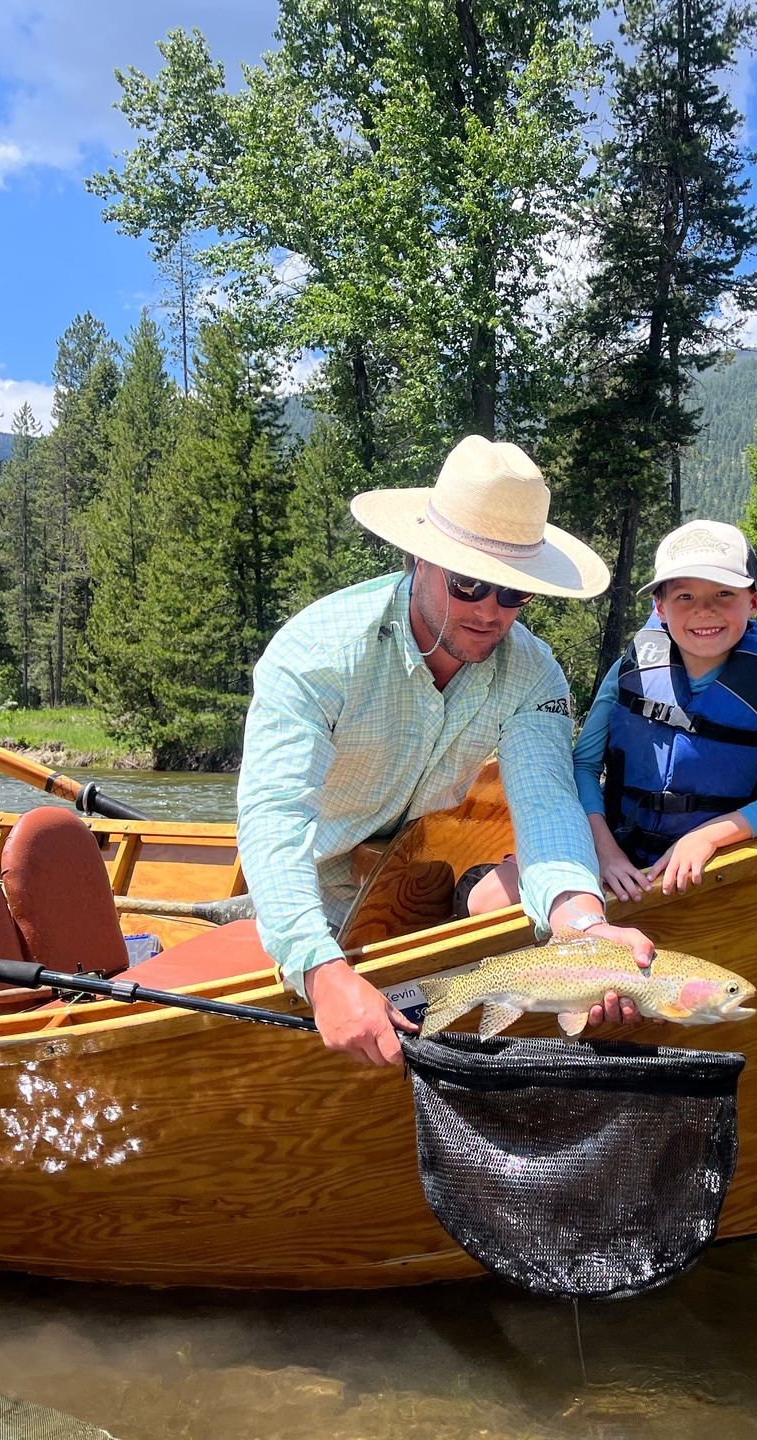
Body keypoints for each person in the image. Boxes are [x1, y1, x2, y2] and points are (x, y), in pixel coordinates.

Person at [236, 435, 656, 1068]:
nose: (491, 612)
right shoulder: (317, 652)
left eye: (514, 593)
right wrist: (321, 972)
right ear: (418, 559)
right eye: (469, 584)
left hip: (411, 881)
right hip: (304, 888)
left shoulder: (535, 675)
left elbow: (546, 808)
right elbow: (274, 819)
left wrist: (583, 929)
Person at [470, 520, 757, 913]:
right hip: (616, 846)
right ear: (660, 607)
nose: (705, 611)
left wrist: (705, 838)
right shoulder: (629, 670)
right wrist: (603, 850)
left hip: (715, 859)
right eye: (685, 596)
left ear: (754, 603)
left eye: (724, 593)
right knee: (485, 901)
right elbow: (583, 766)